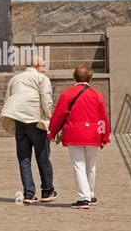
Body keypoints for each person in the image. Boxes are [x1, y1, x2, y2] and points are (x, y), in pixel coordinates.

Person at [47, 64, 110, 209]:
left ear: (74, 77)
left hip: (74, 133)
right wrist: (104, 136)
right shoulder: (97, 95)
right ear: (90, 77)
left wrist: (52, 132)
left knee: (79, 165)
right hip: (94, 134)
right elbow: (103, 118)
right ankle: (90, 194)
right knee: (91, 166)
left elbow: (58, 115)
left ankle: (83, 198)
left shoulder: (68, 94)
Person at [0, 55, 57, 205]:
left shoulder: (15, 79)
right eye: (43, 65)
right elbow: (46, 99)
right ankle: (47, 190)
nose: (45, 68)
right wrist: (50, 118)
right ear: (37, 65)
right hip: (36, 120)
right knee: (43, 157)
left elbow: (8, 99)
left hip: (19, 121)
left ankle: (29, 194)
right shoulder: (42, 79)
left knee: (24, 159)